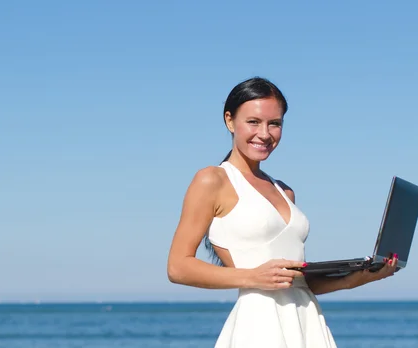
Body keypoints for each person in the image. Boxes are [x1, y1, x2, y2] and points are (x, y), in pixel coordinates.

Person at [166, 77, 398, 347]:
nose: (265, 133)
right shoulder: (212, 180)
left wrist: (357, 277)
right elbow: (178, 267)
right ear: (229, 121)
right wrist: (252, 276)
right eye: (253, 122)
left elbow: (297, 283)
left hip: (307, 322)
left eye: (274, 123)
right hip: (260, 325)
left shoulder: (285, 192)